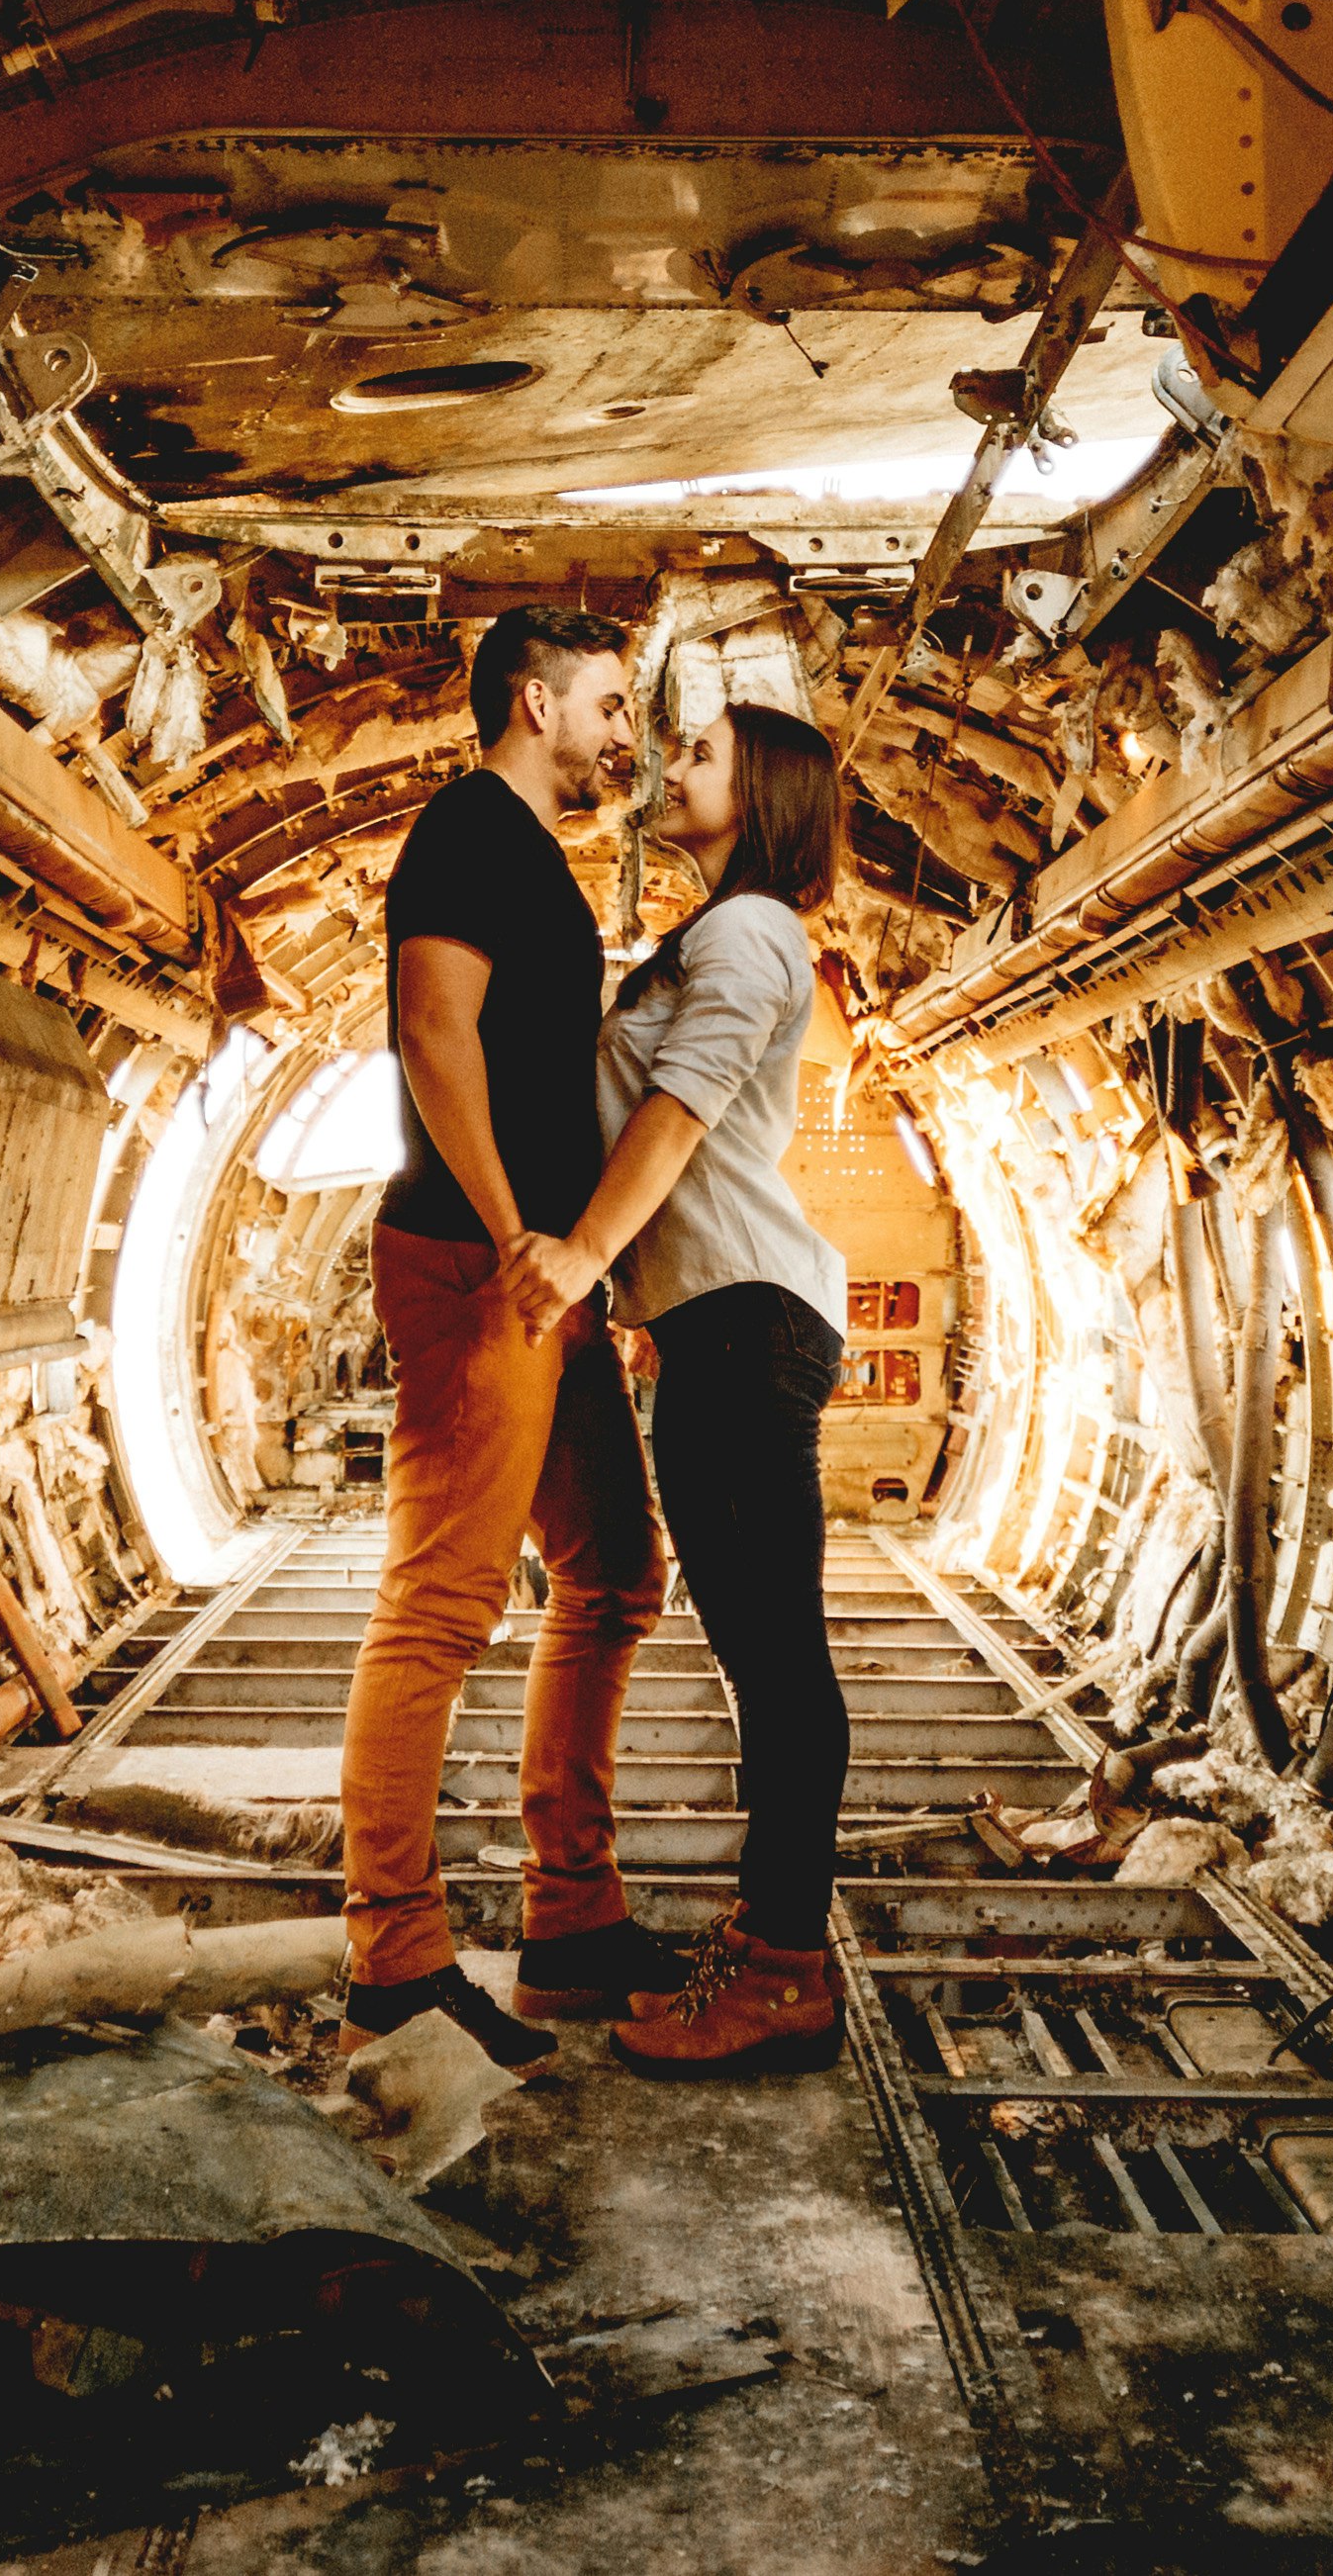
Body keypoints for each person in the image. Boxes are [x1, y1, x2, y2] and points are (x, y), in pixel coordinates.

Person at [338, 604, 698, 2069]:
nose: (627, 734)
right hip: (481, 1269)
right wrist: (510, 1242)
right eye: (610, 705)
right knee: (439, 1602)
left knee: (615, 1569)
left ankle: (570, 1911)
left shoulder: (528, 850)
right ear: (533, 699)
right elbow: (434, 1032)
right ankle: (395, 1950)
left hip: (548, 1277)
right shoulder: (469, 834)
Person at [501, 700, 860, 2076]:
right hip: (714, 1323)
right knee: (759, 1653)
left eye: (702, 752)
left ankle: (783, 1975)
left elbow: (683, 1104)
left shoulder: (751, 930)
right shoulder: (720, 932)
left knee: (776, 1659)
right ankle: (771, 1939)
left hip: (743, 1321)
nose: (670, 764)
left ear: (762, 794)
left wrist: (586, 1253)